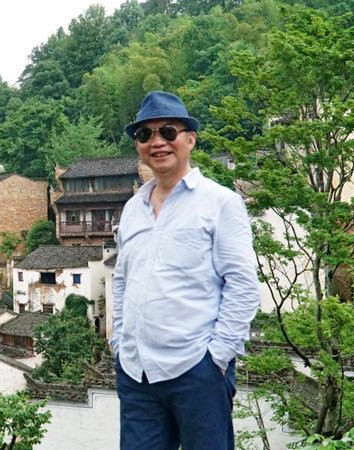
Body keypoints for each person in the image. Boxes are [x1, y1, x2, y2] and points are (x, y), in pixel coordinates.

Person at [110, 91, 260, 450]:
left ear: (190, 139)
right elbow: (122, 279)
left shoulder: (220, 203)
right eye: (145, 134)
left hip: (197, 371)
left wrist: (217, 358)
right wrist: (118, 343)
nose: (157, 142)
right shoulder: (132, 209)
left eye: (168, 131)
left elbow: (242, 285)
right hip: (136, 373)